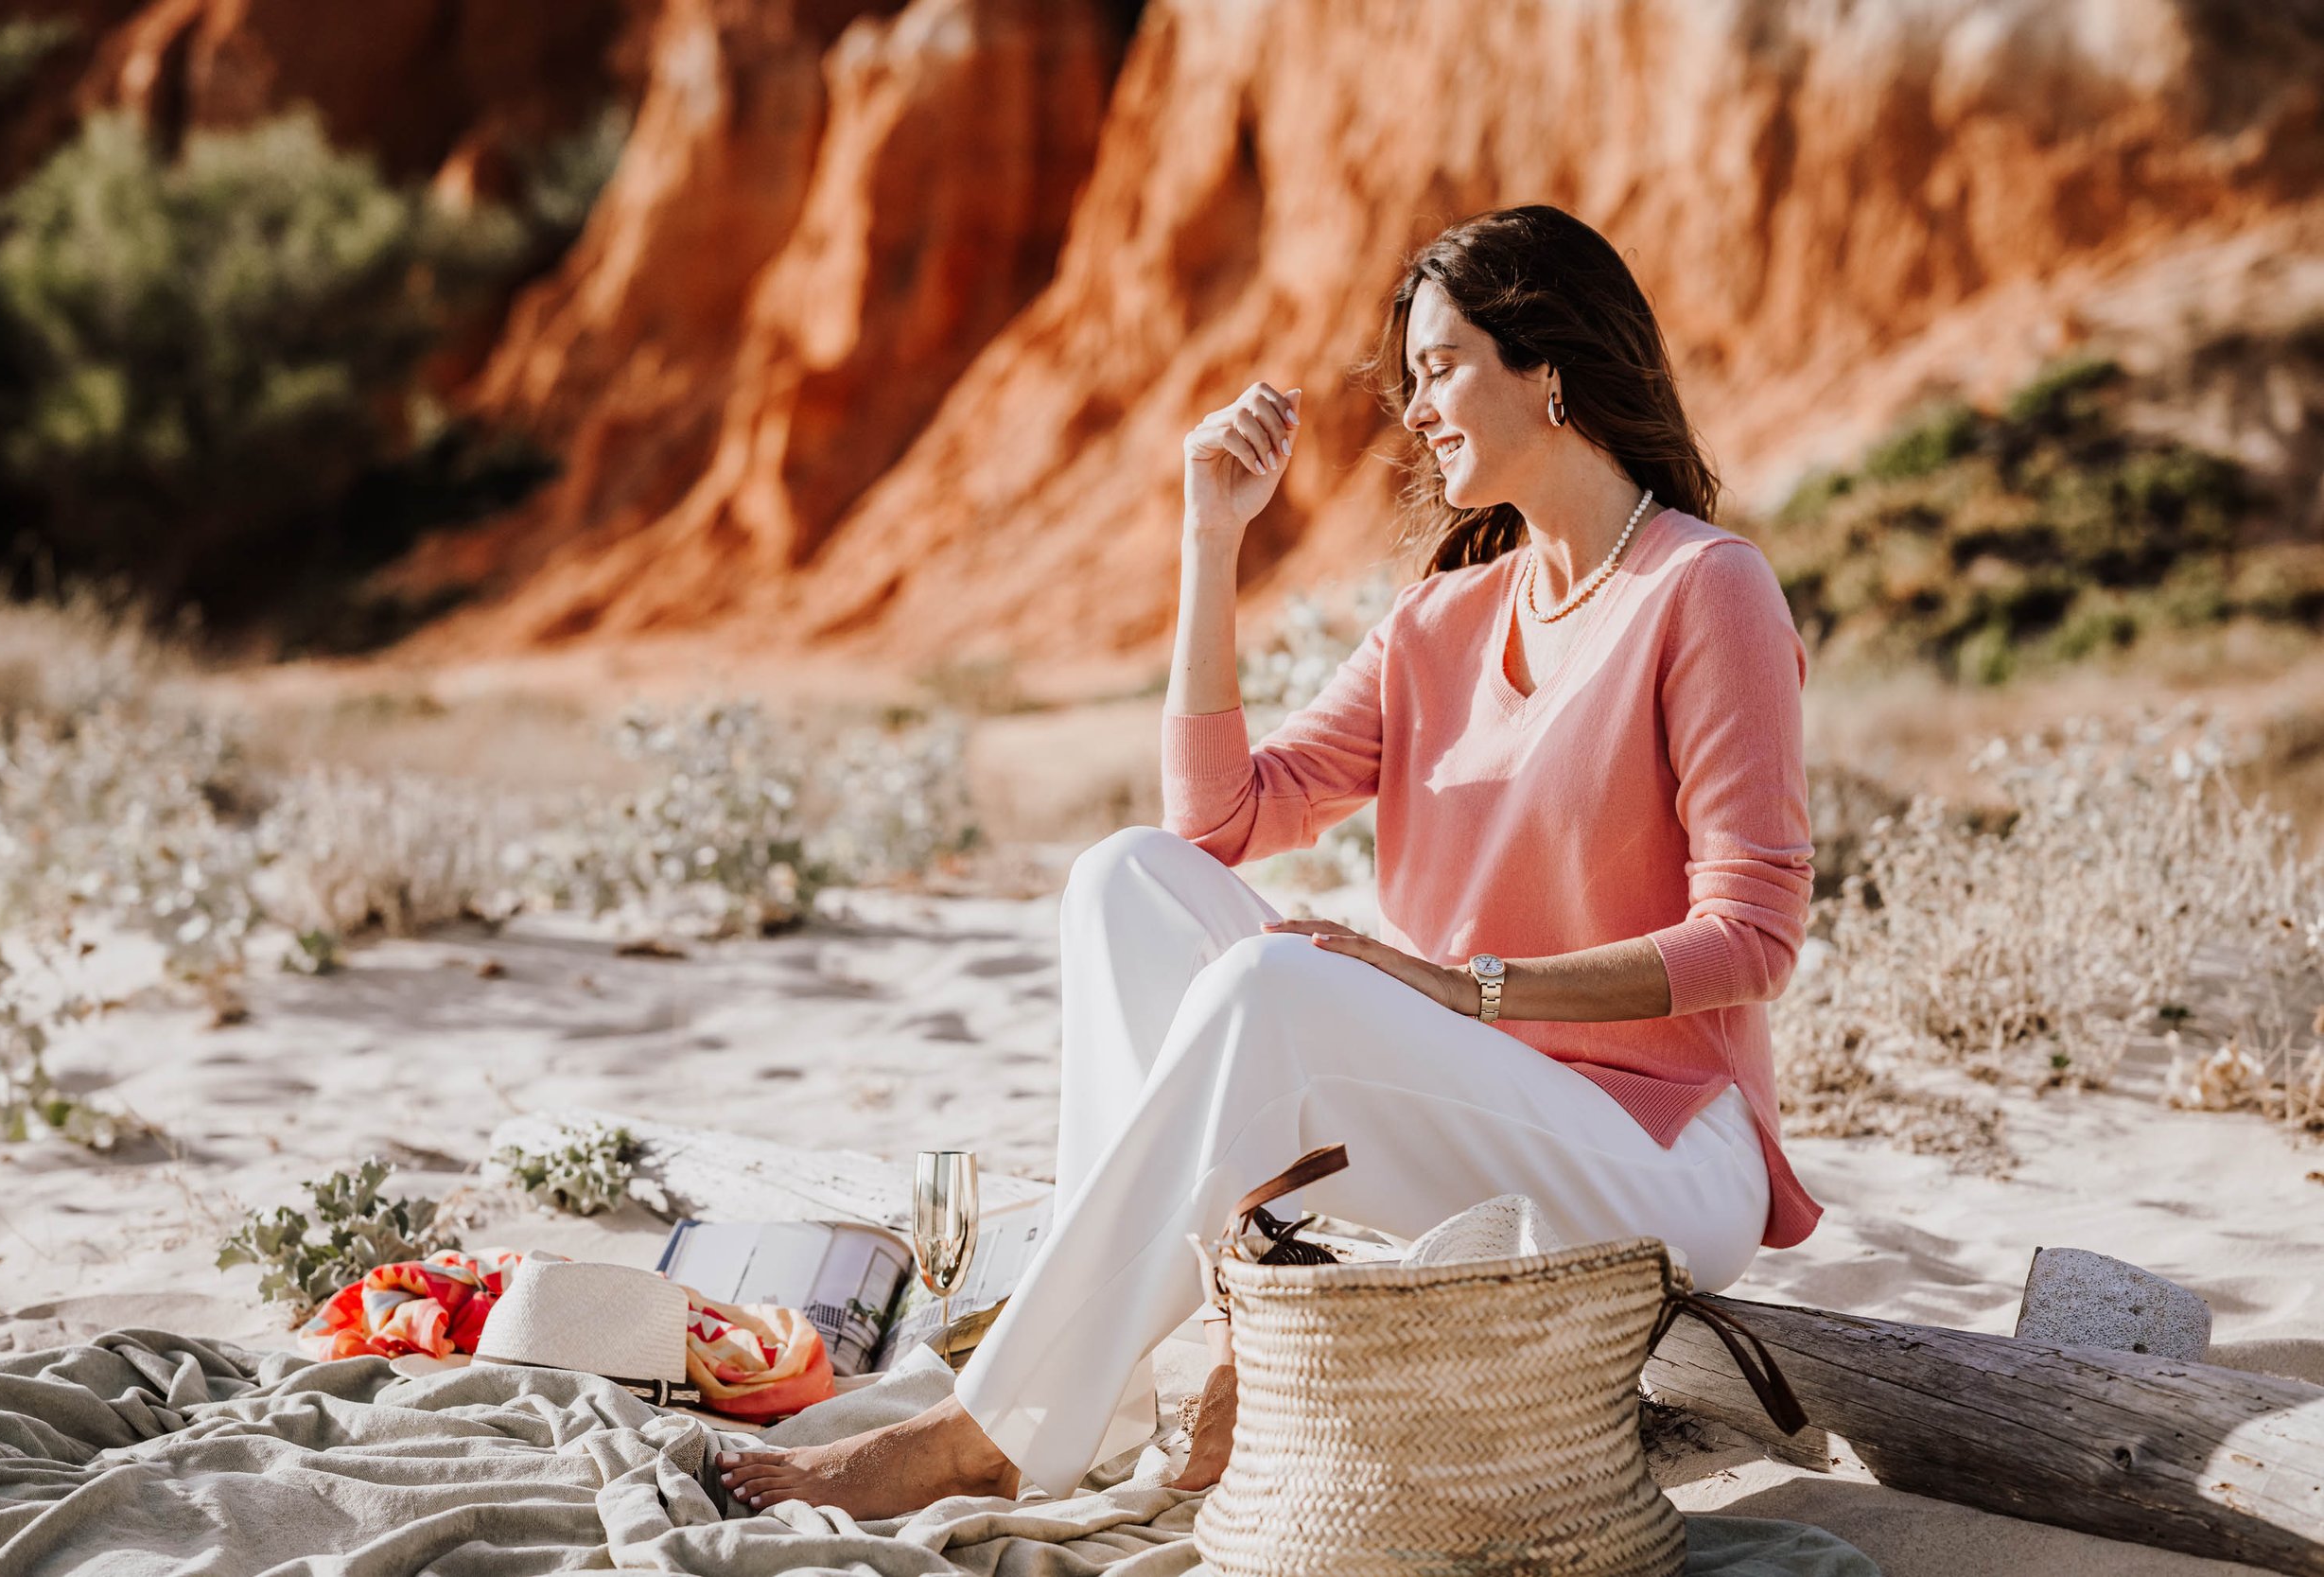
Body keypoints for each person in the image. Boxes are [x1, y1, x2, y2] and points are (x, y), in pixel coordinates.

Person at [716, 202, 1821, 1519]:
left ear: (1551, 369)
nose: (1417, 409)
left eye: (1441, 367)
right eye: (1411, 377)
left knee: (1276, 985)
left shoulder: (1707, 587)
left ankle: (995, 1427)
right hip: (1471, 1110)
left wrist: (1462, 990)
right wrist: (1210, 539)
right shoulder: (1441, 620)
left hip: (1657, 1154)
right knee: (1125, 879)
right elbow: (1217, 827)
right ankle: (1135, 1373)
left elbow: (1755, 938)